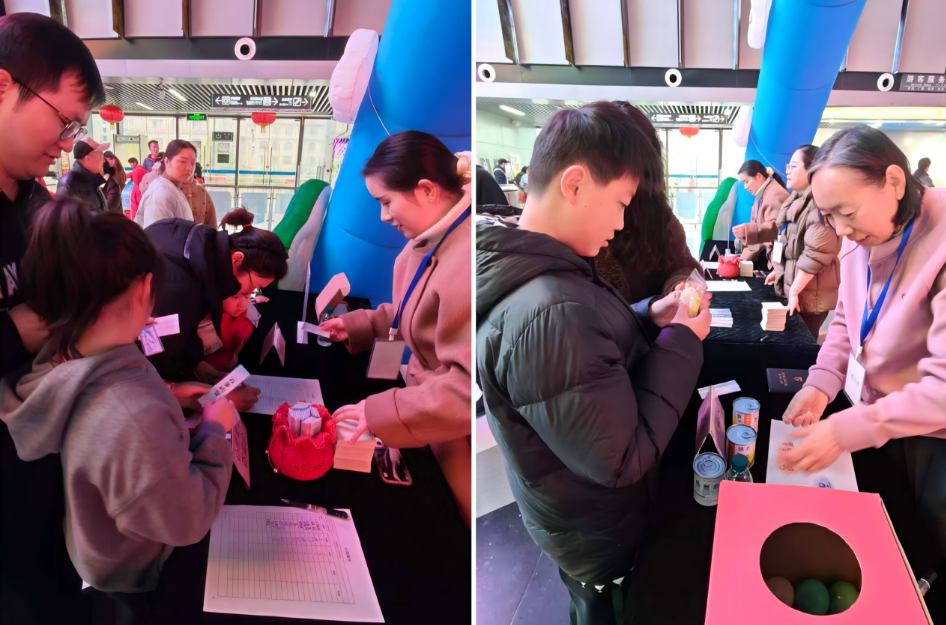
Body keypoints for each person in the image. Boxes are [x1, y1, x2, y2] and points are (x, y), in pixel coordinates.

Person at [476, 102, 712, 625]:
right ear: (576, 184)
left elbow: (592, 345)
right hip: (599, 528)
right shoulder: (548, 307)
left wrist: (651, 314)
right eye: (621, 202)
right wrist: (682, 339)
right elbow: (618, 458)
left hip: (582, 512)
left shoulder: (549, 270)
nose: (623, 221)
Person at [0, 200, 235, 620]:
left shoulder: (63, 354)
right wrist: (216, 430)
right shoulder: (131, 416)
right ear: (144, 289)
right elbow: (186, 518)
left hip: (93, 549)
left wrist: (168, 395)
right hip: (137, 573)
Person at [778, 125, 946, 554]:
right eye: (828, 217)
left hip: (933, 437)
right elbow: (847, 320)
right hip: (876, 421)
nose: (841, 230)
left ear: (894, 181)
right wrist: (821, 383)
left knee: (926, 548)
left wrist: (846, 430)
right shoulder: (864, 234)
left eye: (847, 213)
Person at [0, 13, 105, 623]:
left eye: (76, 129)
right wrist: (19, 328)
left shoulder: (40, 206)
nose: (68, 143)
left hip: (46, 478)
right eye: (63, 121)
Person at [321, 131, 473, 525]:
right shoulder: (432, 238)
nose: (384, 217)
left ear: (427, 190)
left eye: (386, 202)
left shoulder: (467, 259)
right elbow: (415, 308)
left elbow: (465, 389)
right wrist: (363, 324)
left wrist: (381, 412)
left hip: (453, 429)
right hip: (429, 411)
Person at [145, 208, 288, 411]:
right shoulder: (180, 286)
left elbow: (182, 327)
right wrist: (199, 396)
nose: (250, 293)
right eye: (252, 286)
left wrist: (201, 366)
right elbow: (154, 348)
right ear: (236, 259)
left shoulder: (202, 248)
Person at [597, 101, 701, 303]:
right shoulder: (584, 220)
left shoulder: (656, 211)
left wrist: (680, 286)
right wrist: (651, 310)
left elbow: (682, 263)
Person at [765, 145, 841, 339]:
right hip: (798, 289)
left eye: (793, 166)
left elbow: (815, 254)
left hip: (809, 294)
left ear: (812, 169)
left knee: (803, 344)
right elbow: (786, 241)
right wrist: (779, 271)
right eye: (788, 166)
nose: (787, 171)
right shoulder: (796, 200)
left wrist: (794, 291)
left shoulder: (820, 204)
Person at [732, 159, 789, 270]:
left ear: (758, 176)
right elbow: (758, 237)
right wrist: (742, 259)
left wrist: (747, 231)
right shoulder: (760, 196)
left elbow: (775, 228)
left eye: (746, 181)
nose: (745, 187)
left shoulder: (775, 193)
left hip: (780, 260)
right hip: (773, 258)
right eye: (743, 183)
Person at [135, 139, 196, 227]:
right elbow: (157, 233)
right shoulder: (161, 193)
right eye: (183, 161)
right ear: (167, 161)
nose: (189, 168)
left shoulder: (172, 187)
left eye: (192, 163)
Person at [57, 136, 110, 213]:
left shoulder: (93, 180)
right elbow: (66, 217)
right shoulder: (69, 183)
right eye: (101, 155)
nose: (104, 160)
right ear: (88, 158)